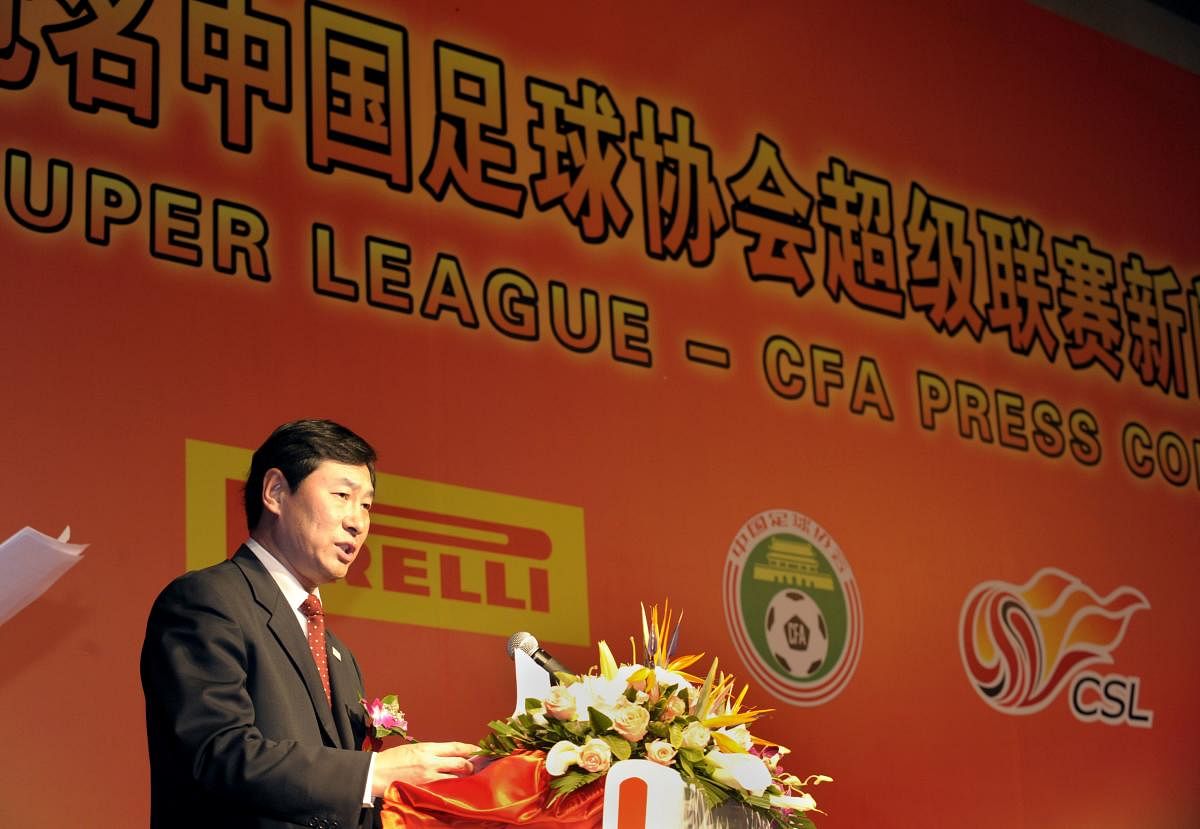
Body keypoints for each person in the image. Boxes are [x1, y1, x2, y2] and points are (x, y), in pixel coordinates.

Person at [141, 419, 478, 829]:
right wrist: (372, 773)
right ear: (276, 492)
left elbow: (338, 801)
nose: (358, 521)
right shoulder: (208, 601)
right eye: (342, 496)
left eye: (367, 505)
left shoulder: (339, 654)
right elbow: (220, 752)